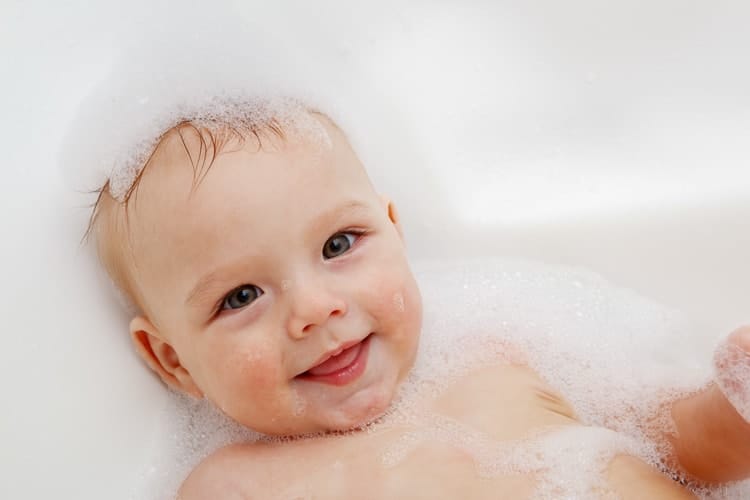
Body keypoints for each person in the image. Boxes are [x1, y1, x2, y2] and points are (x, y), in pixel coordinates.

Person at [87, 104, 750, 499]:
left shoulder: (501, 356)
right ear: (172, 361)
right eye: (241, 296)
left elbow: (686, 450)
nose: (316, 309)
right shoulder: (233, 485)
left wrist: (735, 406)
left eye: (339, 243)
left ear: (395, 231)